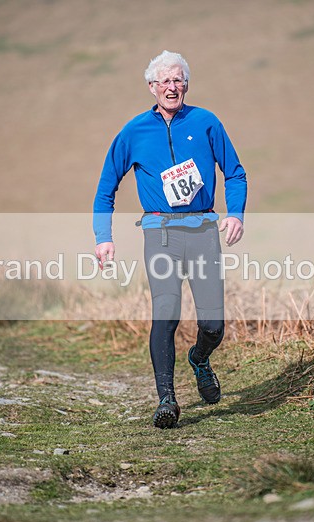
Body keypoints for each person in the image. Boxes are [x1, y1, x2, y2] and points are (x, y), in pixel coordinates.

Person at [92, 50, 247, 429]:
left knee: (213, 325)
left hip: (203, 231)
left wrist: (236, 214)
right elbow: (105, 188)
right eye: (164, 81)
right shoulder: (133, 132)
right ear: (151, 87)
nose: (171, 87)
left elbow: (236, 173)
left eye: (178, 80)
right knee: (167, 312)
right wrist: (103, 237)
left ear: (186, 85)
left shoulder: (206, 122)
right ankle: (167, 399)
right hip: (159, 233)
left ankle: (199, 359)